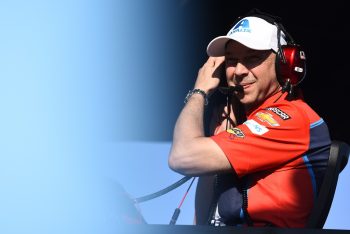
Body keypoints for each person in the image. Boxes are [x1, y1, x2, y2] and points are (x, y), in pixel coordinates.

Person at [168, 8, 331, 228]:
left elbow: (182, 157)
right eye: (232, 60)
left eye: (253, 58)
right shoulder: (241, 123)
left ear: (283, 65)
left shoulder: (292, 118)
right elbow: (205, 221)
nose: (239, 71)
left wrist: (199, 92)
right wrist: (219, 135)